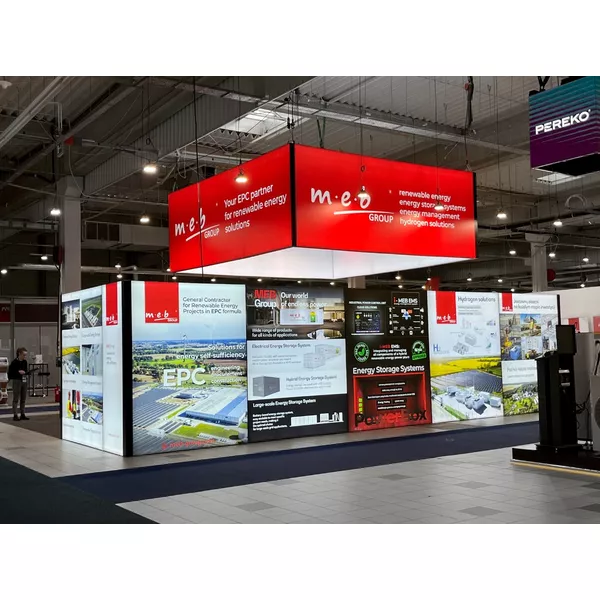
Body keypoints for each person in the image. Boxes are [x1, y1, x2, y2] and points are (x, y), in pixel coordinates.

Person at [8, 347, 29, 421]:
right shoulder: (14, 362)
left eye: (26, 355)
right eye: (24, 355)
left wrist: (26, 373)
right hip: (17, 381)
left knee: (23, 398)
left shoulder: (25, 362)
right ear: (19, 354)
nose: (25, 356)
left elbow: (26, 370)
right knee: (16, 398)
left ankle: (22, 413)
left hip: (24, 380)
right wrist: (18, 372)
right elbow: (10, 373)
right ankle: (15, 415)